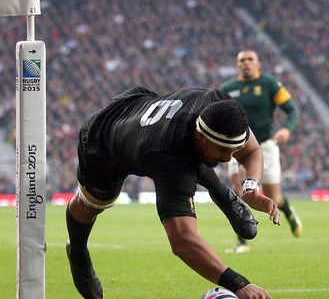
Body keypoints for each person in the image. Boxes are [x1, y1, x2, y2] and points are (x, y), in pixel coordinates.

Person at [65, 86, 280, 299]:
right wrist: (240, 284)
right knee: (93, 204)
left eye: (233, 149)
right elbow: (183, 241)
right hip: (103, 138)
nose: (228, 158)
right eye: (224, 150)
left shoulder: (217, 105)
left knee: (199, 157)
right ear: (201, 136)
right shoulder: (169, 156)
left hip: (141, 104)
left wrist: (251, 187)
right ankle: (77, 251)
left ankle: (224, 195)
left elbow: (251, 149)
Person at [222, 50, 301, 253]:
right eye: (242, 60)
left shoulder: (270, 84)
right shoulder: (228, 89)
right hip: (236, 145)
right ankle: (242, 241)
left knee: (274, 197)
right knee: (239, 191)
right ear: (237, 65)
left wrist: (286, 129)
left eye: (250, 60)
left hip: (265, 145)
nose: (246, 63)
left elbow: (292, 109)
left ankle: (288, 210)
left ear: (258, 63)